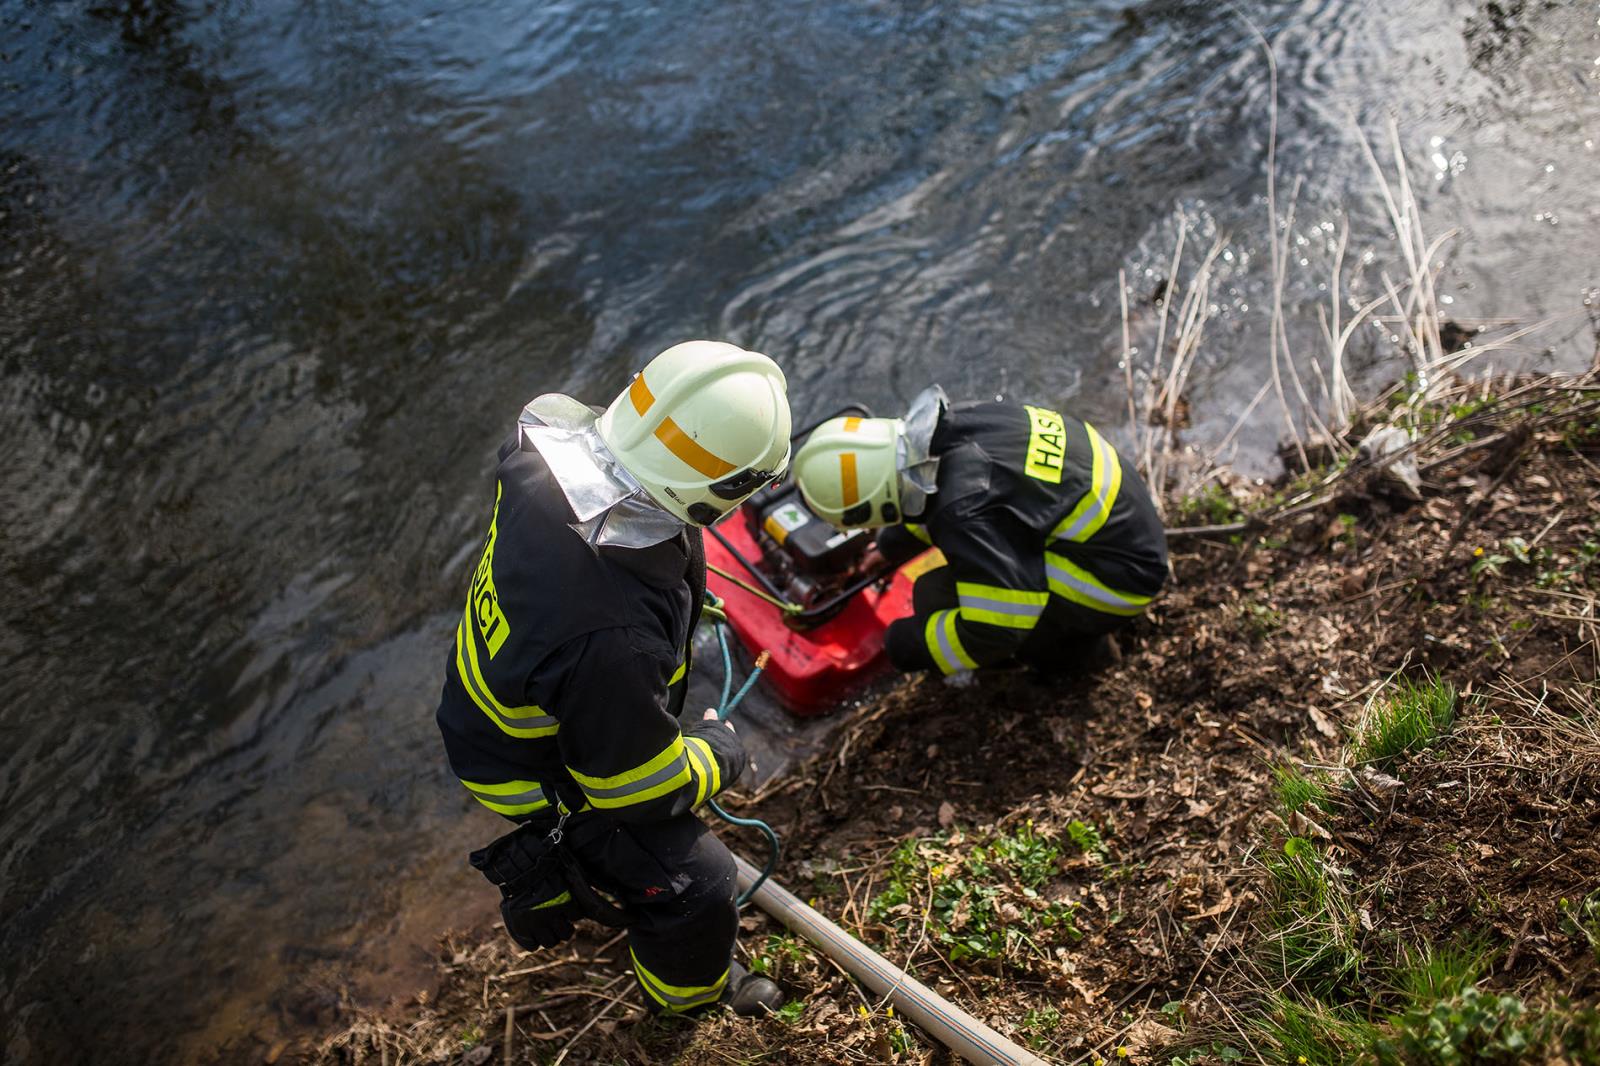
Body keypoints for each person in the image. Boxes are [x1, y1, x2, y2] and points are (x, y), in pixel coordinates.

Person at [435, 341, 790, 1017]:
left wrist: (678, 604)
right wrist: (720, 755)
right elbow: (637, 789)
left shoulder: (545, 446)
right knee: (700, 884)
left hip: (502, 700)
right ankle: (688, 1001)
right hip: (526, 767)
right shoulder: (612, 641)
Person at [791, 386, 1167, 677]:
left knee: (934, 594)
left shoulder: (963, 510)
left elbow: (999, 626)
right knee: (975, 563)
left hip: (1119, 583)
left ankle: (1073, 656)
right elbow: (941, 499)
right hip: (1125, 522)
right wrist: (891, 548)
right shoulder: (957, 421)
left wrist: (908, 645)